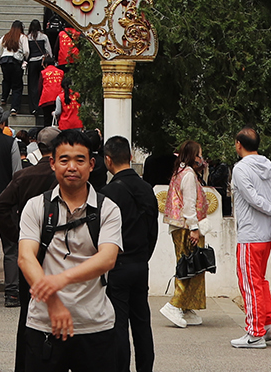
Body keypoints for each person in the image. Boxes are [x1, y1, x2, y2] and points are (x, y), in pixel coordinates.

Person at [18, 129, 122, 372]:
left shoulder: (108, 209)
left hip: (95, 324)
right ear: (53, 163)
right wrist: (53, 301)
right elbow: (25, 257)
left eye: (80, 160)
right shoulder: (36, 207)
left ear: (92, 164)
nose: (72, 167)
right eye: (64, 160)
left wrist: (61, 279)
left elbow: (108, 258)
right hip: (44, 324)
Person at [101, 137, 158, 372]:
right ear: (131, 157)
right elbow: (153, 230)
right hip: (140, 262)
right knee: (142, 322)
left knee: (119, 323)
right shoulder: (147, 189)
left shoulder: (107, 193)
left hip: (118, 264)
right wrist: (145, 255)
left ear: (107, 160)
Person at [228, 128, 271, 351]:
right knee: (259, 281)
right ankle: (268, 324)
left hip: (249, 234)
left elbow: (252, 198)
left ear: (238, 144)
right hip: (265, 235)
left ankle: (254, 333)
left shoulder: (240, 169)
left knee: (249, 283)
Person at [0, 128, 61, 308]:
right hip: (58, 244)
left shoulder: (23, 175)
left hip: (28, 241)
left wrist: (15, 235)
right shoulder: (64, 176)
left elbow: (0, 206)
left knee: (28, 306)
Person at [157, 141, 208, 329]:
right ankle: (175, 304)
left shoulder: (181, 173)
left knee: (192, 265)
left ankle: (186, 306)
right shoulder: (188, 175)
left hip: (182, 226)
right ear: (193, 155)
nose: (201, 158)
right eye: (199, 154)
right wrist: (194, 228)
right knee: (189, 266)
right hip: (187, 227)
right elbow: (189, 204)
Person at [0, 24, 27, 115]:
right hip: (15, 62)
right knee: (17, 85)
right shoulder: (22, 37)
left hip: (4, 61)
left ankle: (3, 98)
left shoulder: (6, 36)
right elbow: (26, 51)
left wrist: (2, 56)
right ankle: (14, 108)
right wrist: (24, 58)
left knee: (6, 80)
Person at [24, 22, 50, 122]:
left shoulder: (28, 37)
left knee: (32, 85)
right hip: (42, 62)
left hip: (31, 62)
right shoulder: (44, 36)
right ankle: (41, 105)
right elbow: (48, 50)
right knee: (42, 84)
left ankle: (33, 107)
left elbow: (26, 50)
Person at [38, 60, 65, 131]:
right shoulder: (61, 72)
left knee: (47, 121)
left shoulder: (43, 72)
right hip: (59, 98)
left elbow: (40, 87)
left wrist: (39, 97)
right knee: (59, 120)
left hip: (47, 99)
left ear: (45, 64)